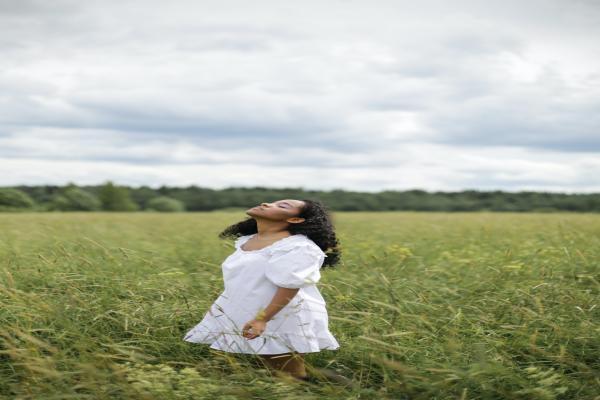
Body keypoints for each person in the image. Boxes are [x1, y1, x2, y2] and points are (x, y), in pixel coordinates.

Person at [183, 199, 341, 381]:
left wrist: (263, 319)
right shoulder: (248, 241)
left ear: (296, 220)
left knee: (290, 377)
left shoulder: (298, 246)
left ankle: (330, 386)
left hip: (280, 315)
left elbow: (289, 286)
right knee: (264, 371)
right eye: (274, 202)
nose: (267, 203)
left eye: (282, 206)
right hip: (249, 310)